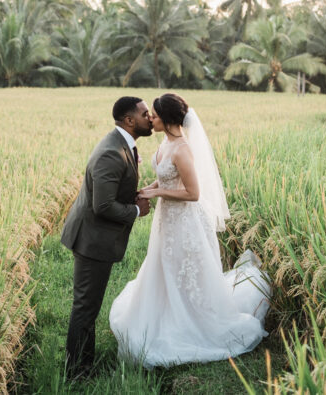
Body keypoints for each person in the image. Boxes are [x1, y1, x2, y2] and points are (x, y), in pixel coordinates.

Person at [109, 93, 270, 368]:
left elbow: (193, 193)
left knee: (185, 271)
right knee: (164, 267)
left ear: (168, 119)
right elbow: (164, 179)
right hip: (167, 220)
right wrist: (146, 190)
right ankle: (166, 313)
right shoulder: (165, 143)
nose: (151, 119)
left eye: (155, 116)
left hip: (186, 222)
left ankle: (192, 321)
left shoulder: (183, 149)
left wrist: (158, 191)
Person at [60, 96, 153, 380]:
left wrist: (130, 196)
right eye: (144, 113)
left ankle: (80, 364)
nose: (150, 117)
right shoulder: (112, 152)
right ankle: (77, 372)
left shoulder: (122, 145)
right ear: (129, 120)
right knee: (85, 307)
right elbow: (102, 206)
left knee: (87, 306)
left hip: (95, 237)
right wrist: (136, 209)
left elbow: (110, 194)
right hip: (92, 240)